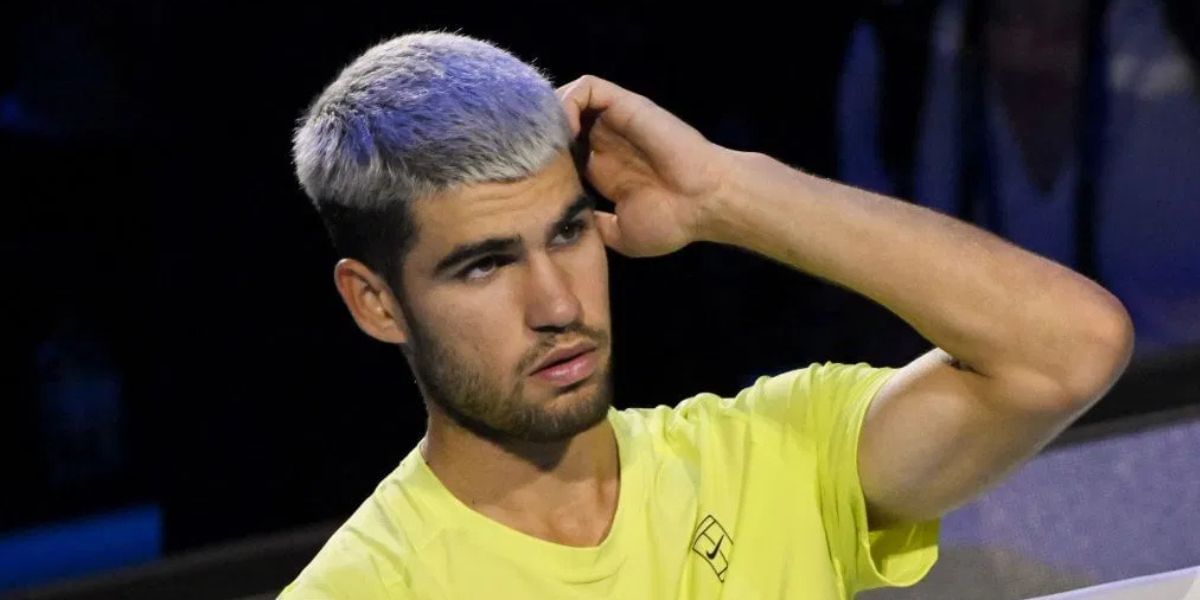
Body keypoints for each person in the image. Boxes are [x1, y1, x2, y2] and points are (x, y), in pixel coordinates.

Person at [280, 32, 1133, 599]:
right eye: (485, 265)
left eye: (569, 232)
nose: (558, 304)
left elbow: (1070, 350)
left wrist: (725, 193)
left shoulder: (766, 455)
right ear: (376, 302)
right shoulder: (366, 589)